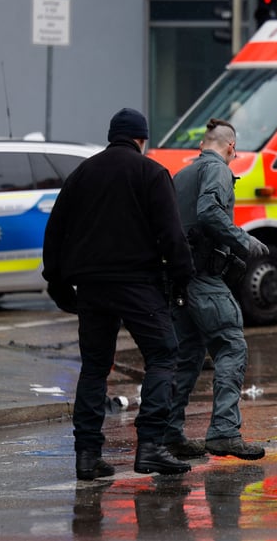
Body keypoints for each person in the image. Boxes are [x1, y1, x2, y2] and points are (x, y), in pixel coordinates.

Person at [42, 107, 195, 480]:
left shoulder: (83, 174)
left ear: (113, 136)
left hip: (91, 285)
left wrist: (57, 282)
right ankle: (152, 447)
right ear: (142, 139)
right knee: (162, 354)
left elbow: (55, 229)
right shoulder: (151, 172)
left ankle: (87, 455)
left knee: (95, 367)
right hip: (138, 282)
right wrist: (183, 278)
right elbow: (171, 235)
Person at [164, 117, 268, 461]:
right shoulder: (219, 170)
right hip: (204, 279)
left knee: (188, 355)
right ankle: (224, 432)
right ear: (230, 147)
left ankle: (170, 434)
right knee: (231, 346)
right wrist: (244, 241)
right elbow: (209, 212)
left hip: (179, 280)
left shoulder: (181, 176)